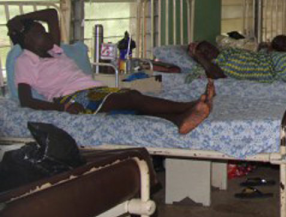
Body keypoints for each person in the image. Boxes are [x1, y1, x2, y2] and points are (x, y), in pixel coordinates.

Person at [7, 9, 214, 135]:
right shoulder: (24, 61)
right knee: (132, 98)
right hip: (74, 98)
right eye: (40, 32)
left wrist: (20, 18)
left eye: (45, 31)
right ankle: (188, 106)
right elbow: (26, 100)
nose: (47, 35)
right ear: (27, 40)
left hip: (92, 90)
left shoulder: (55, 50)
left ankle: (179, 120)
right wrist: (62, 108)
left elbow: (51, 14)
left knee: (132, 99)